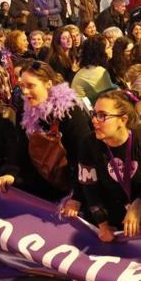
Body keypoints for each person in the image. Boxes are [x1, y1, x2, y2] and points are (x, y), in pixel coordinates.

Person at [77, 89, 141, 240]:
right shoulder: (89, 144)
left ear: (123, 120)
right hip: (112, 218)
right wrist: (103, 224)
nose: (94, 120)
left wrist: (138, 205)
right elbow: (89, 187)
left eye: (102, 116)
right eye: (94, 114)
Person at [19, 60, 92, 201]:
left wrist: (77, 197)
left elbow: (84, 155)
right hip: (44, 183)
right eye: (22, 86)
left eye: (30, 86)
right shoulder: (27, 109)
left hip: (74, 186)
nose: (25, 92)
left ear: (48, 84)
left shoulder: (69, 111)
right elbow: (22, 149)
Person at [71, 36, 116, 104]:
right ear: (101, 52)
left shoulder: (90, 68)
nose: (111, 49)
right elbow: (111, 97)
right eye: (108, 47)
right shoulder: (98, 71)